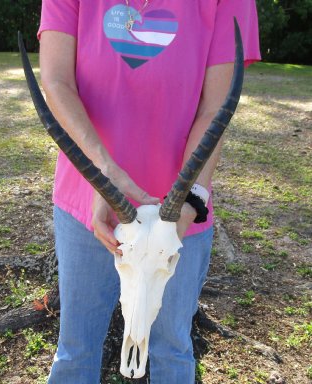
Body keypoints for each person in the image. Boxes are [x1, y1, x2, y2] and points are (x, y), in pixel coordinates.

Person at [37, 1, 261, 383]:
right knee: (76, 351)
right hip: (90, 204)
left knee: (172, 351)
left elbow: (216, 106)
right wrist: (103, 174)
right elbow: (56, 81)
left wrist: (191, 200)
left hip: (177, 216)